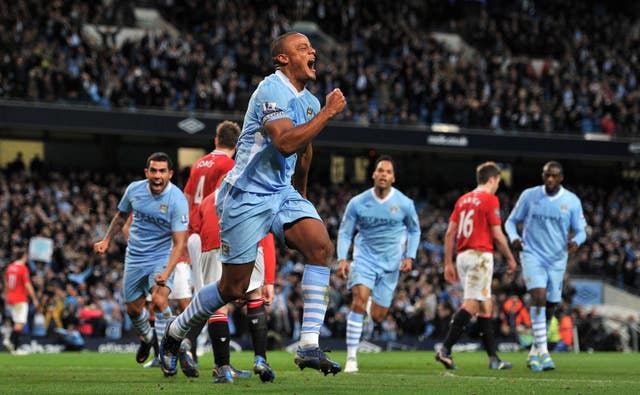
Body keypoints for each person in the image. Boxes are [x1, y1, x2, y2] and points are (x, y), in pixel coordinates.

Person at [159, 31, 346, 377]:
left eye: (311, 46)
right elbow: (286, 142)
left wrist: (301, 199)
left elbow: (303, 155)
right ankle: (175, 331)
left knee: (321, 247)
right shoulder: (270, 90)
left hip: (281, 193)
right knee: (232, 288)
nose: (312, 51)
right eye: (302, 47)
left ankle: (307, 345)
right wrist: (329, 115)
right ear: (283, 59)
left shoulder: (311, 102)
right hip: (245, 194)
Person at [93, 152, 189, 369]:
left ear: (170, 174)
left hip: (162, 256)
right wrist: (107, 240)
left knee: (159, 301)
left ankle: (167, 353)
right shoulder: (134, 190)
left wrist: (166, 272)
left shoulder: (177, 200)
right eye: (153, 170)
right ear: (147, 172)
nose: (157, 175)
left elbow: (179, 243)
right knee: (133, 310)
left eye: (162, 171)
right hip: (135, 256)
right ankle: (147, 338)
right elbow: (120, 216)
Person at [335, 155, 421, 373]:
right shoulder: (357, 202)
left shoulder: (404, 203)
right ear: (374, 174)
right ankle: (352, 357)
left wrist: (410, 256)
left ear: (393, 178)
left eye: (388, 172)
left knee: (378, 316)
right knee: (358, 300)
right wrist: (342, 258)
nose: (383, 174)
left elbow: (414, 230)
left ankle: (372, 307)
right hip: (364, 260)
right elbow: (345, 232)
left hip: (391, 265)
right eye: (380, 170)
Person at [435, 161, 517, 371]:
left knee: (485, 305)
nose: (498, 185)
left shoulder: (463, 200)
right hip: (480, 256)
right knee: (472, 304)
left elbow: (449, 233)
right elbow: (497, 235)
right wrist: (510, 257)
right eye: (498, 181)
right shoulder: (490, 199)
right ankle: (445, 349)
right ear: (492, 179)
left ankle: (493, 359)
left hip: (463, 256)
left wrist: (448, 263)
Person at [505, 161, 586, 371]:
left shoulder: (571, 201)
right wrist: (514, 238)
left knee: (550, 305)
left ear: (561, 178)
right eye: (546, 175)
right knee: (538, 296)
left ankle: (534, 351)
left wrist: (577, 241)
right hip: (532, 254)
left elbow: (581, 230)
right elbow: (510, 222)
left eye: (554, 176)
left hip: (557, 259)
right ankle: (544, 352)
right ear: (542, 176)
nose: (550, 179)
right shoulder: (529, 196)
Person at [3, 244, 39, 354]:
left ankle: (15, 348)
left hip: (11, 298)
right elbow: (27, 285)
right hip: (20, 298)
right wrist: (34, 298)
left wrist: (6, 296)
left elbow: (6, 284)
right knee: (20, 322)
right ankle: (9, 340)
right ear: (23, 256)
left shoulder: (10, 267)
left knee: (17, 322)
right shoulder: (22, 268)